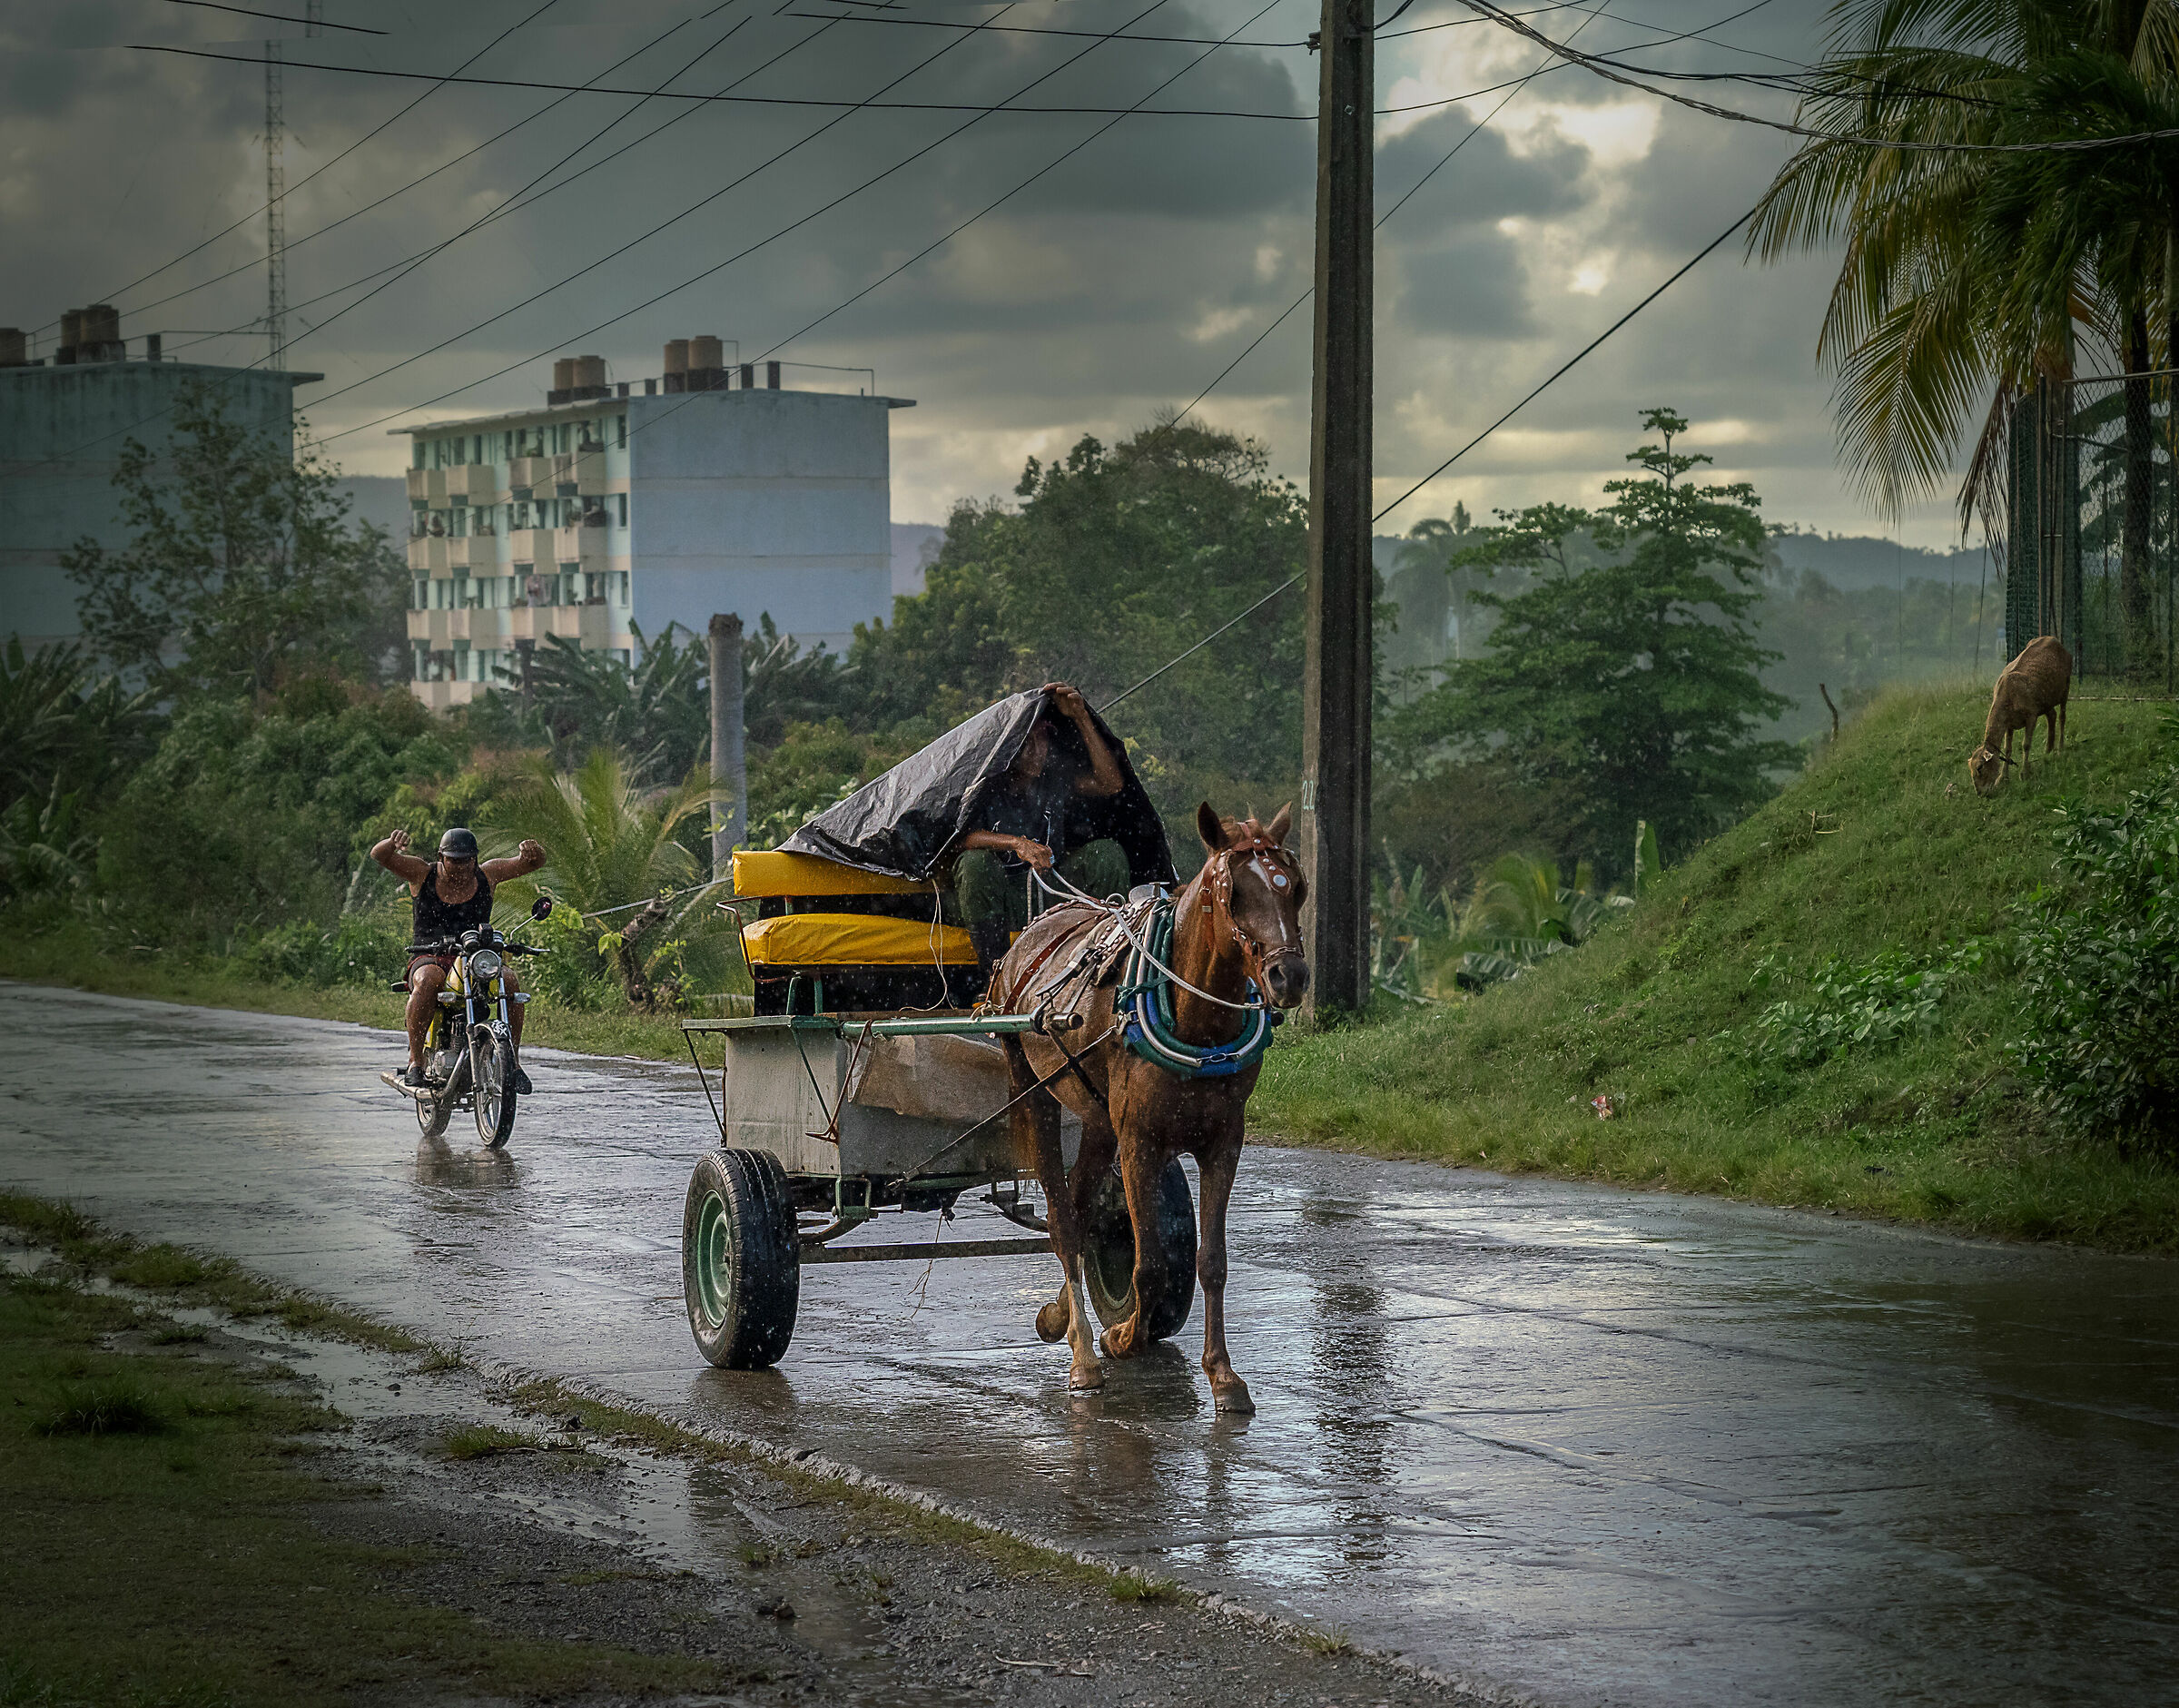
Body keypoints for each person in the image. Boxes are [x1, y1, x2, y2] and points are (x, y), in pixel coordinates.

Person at [952, 683, 1131, 978]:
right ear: (1009, 746)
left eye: (1043, 739)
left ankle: (1105, 966)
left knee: (1107, 853)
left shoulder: (1055, 778)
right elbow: (959, 838)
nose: (1037, 751)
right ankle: (996, 978)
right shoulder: (985, 784)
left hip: (1053, 890)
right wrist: (1015, 843)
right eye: (1027, 742)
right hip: (1000, 898)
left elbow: (1110, 784)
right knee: (974, 863)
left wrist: (1082, 718)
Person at [370, 826, 547, 1091]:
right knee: (429, 979)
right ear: (441, 857)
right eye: (453, 860)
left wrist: (533, 851)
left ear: (475, 858)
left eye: (465, 860)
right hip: (429, 954)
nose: (460, 867)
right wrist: (392, 844)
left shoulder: (489, 874)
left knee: (509, 979)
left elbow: (533, 863)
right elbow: (379, 856)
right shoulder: (422, 873)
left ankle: (513, 1062)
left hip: (474, 956)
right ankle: (416, 1061)